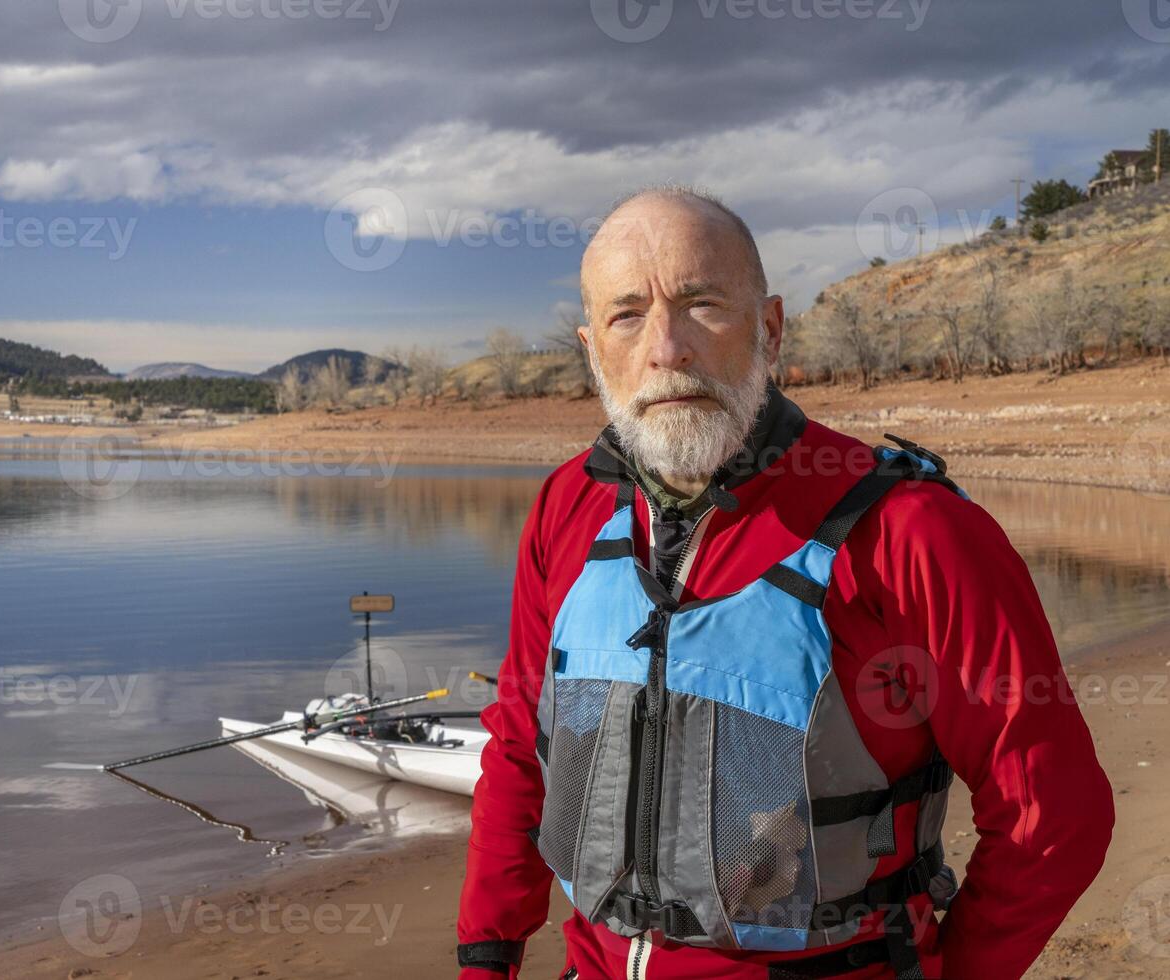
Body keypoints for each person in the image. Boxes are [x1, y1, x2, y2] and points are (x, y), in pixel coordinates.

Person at [455, 186, 1114, 979]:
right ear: (595, 350)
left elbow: (1055, 813)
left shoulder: (910, 534)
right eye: (628, 316)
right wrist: (485, 961)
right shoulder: (570, 506)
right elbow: (523, 752)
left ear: (769, 328)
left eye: (702, 303)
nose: (668, 348)